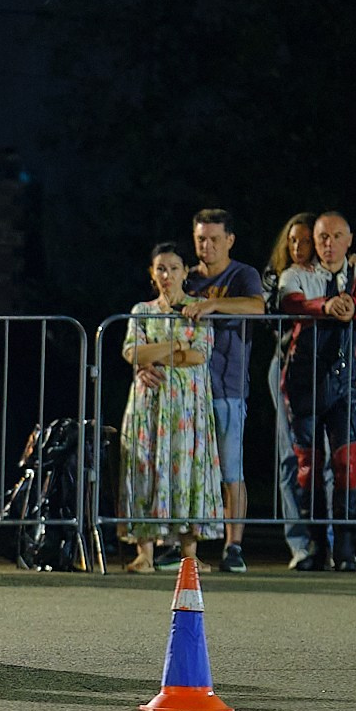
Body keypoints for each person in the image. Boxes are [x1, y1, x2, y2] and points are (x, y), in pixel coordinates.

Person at [276, 211, 356, 570]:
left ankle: (344, 545)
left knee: (346, 463)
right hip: (302, 382)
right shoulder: (297, 274)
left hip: (347, 385)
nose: (329, 244)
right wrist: (325, 306)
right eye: (322, 237)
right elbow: (289, 302)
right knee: (307, 466)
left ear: (349, 239)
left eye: (337, 236)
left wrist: (354, 306)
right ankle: (312, 548)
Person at [119, 243, 224, 573]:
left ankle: (189, 554)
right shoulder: (143, 310)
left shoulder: (197, 309)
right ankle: (145, 553)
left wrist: (155, 353)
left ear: (184, 271)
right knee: (145, 469)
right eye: (160, 269)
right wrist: (176, 345)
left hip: (187, 407)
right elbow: (131, 352)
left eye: (174, 268)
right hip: (149, 405)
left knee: (188, 469)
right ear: (152, 273)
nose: (167, 275)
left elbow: (198, 354)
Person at [179, 208, 264, 573]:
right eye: (201, 239)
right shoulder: (187, 277)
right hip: (186, 388)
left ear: (229, 240)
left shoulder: (243, 275)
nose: (207, 246)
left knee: (231, 469)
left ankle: (233, 546)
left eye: (214, 239)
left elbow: (258, 307)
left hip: (227, 386)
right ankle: (183, 546)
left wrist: (214, 303)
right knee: (187, 467)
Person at [261, 211, 317, 566]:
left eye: (306, 240)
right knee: (288, 456)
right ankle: (298, 543)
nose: (298, 247)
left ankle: (328, 539)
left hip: (325, 368)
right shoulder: (275, 277)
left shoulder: (336, 273)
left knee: (325, 457)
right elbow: (270, 315)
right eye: (292, 240)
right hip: (284, 366)